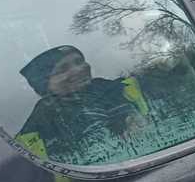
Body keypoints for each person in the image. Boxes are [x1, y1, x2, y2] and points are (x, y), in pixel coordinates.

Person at [16, 44, 151, 167]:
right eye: (62, 69)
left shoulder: (124, 89)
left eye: (79, 61)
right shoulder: (37, 131)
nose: (79, 69)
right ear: (44, 84)